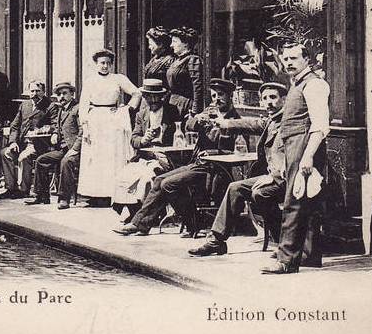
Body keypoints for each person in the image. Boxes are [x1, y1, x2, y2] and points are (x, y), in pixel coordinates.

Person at [114, 78, 248, 238]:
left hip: (217, 168)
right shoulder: (209, 113)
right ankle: (140, 224)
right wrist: (197, 120)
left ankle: (193, 224)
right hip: (198, 163)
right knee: (159, 180)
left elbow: (239, 150)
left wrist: (213, 151)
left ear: (230, 96)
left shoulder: (235, 120)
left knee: (170, 184)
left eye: (220, 95)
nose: (217, 99)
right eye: (213, 96)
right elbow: (187, 125)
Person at [190, 82, 288, 257]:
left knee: (261, 194)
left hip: (287, 179)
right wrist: (225, 124)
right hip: (271, 178)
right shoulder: (270, 121)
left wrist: (273, 176)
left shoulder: (288, 121)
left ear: (284, 99)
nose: (269, 102)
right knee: (235, 187)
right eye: (265, 99)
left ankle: (284, 242)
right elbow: (251, 123)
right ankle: (216, 241)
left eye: (273, 97)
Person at [262, 42, 330, 275]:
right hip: (294, 147)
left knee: (295, 199)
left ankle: (286, 260)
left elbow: (320, 125)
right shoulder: (297, 84)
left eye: (294, 58)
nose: (289, 62)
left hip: (304, 147)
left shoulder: (315, 85)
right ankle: (309, 255)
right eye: (286, 58)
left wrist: (307, 156)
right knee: (308, 201)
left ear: (307, 59)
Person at [77, 49, 141, 204]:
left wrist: (127, 109)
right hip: (95, 121)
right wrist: (85, 127)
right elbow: (83, 105)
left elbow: (137, 93)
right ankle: (95, 195)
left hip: (113, 120)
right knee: (96, 157)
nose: (105, 66)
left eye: (108, 63)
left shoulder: (118, 79)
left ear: (111, 64)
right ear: (96, 64)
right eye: (102, 63)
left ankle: (111, 194)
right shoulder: (90, 81)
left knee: (112, 157)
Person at [112, 79, 181, 219]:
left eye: (156, 96)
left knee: (146, 178)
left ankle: (149, 215)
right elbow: (134, 139)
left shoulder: (172, 111)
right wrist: (143, 140)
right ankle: (134, 211)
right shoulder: (141, 114)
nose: (153, 100)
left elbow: (179, 137)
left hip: (164, 156)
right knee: (124, 175)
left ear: (162, 96)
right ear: (145, 97)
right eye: (149, 96)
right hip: (145, 156)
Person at [27, 82, 81, 206]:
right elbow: (57, 126)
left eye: (64, 93)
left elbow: (83, 130)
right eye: (59, 94)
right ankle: (41, 195)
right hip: (62, 149)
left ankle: (64, 198)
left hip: (76, 150)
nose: (61, 96)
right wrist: (56, 133)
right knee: (41, 160)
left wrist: (76, 148)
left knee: (65, 162)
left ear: (72, 94)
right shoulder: (61, 109)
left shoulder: (77, 109)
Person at [0, 80, 56, 199]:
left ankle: (24, 190)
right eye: (32, 91)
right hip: (21, 142)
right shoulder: (24, 105)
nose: (34, 94)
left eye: (38, 91)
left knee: (25, 157)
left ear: (44, 92)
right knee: (6, 153)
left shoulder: (50, 106)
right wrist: (13, 142)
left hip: (38, 144)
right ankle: (11, 188)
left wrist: (43, 129)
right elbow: (15, 125)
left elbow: (55, 125)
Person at [166, 27, 206, 120]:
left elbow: (197, 88)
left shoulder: (193, 60)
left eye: (175, 41)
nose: (171, 45)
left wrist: (195, 112)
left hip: (185, 105)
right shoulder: (176, 60)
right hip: (173, 104)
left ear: (186, 44)